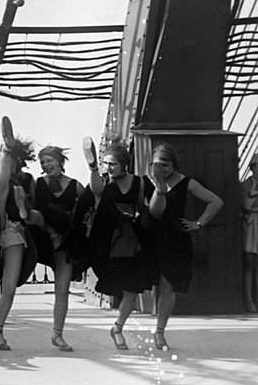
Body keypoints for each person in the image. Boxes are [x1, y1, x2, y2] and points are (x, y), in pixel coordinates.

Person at [143, 143, 223, 351]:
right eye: (158, 164)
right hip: (151, 237)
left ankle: (160, 332)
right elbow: (154, 213)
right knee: (146, 283)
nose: (162, 169)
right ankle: (122, 326)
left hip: (175, 239)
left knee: (168, 285)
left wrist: (199, 223)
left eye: (166, 165)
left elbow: (216, 201)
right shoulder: (145, 181)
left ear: (174, 165)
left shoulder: (186, 182)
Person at [83, 139, 152, 351]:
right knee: (117, 287)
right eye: (105, 164)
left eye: (112, 164)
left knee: (132, 291)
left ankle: (117, 328)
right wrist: (93, 167)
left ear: (125, 164)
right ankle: (118, 326)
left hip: (132, 241)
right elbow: (96, 191)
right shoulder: (106, 184)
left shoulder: (140, 183)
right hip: (108, 245)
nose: (109, 168)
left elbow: (148, 209)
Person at [0, 117, 39, 350]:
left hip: (16, 229)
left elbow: (34, 208)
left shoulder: (27, 180)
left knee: (10, 285)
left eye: (6, 155)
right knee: (2, 184)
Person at [30, 146, 86, 352]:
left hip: (65, 242)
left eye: (49, 160)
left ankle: (57, 334)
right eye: (42, 162)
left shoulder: (75, 185)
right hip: (43, 240)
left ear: (60, 161)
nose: (45, 165)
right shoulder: (38, 184)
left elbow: (85, 211)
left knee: (62, 291)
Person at [242, 153, 258, 313]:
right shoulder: (247, 185)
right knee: (250, 264)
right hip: (252, 225)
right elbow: (246, 205)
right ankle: (249, 300)